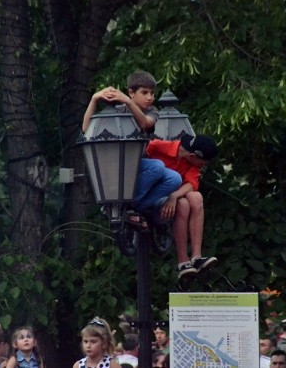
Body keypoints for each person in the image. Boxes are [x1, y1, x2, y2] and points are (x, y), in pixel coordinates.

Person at [81, 71, 182, 222]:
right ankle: (127, 204)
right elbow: (86, 129)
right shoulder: (119, 111)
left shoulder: (152, 111)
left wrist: (128, 101)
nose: (150, 97)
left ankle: (134, 206)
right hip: (118, 166)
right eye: (144, 93)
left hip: (137, 165)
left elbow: (145, 123)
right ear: (131, 93)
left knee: (174, 179)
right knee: (157, 167)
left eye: (152, 93)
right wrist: (94, 99)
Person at [145, 133, 218, 280]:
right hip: (153, 196)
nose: (202, 167)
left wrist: (174, 196)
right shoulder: (158, 146)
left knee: (196, 198)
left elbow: (192, 184)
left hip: (172, 198)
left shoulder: (192, 162)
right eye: (202, 163)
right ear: (192, 156)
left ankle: (196, 258)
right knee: (183, 204)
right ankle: (183, 260)